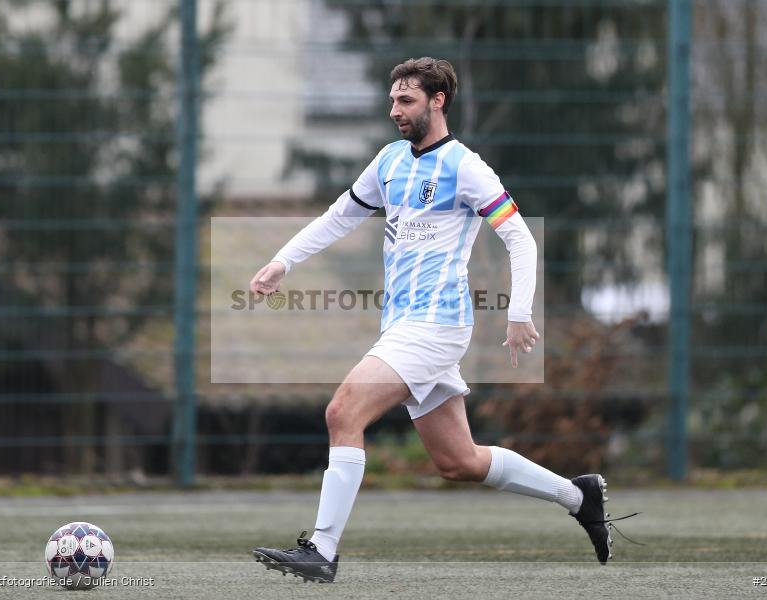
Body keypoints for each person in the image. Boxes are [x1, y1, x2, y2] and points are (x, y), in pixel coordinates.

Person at [250, 57, 615, 583]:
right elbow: (339, 216)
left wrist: (518, 314)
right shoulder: (390, 161)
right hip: (403, 325)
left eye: (406, 101)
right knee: (458, 461)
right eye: (393, 99)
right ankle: (576, 494)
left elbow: (519, 237)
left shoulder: (465, 166)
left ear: (437, 101)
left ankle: (322, 551)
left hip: (436, 325)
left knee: (343, 413)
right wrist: (284, 260)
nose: (394, 109)